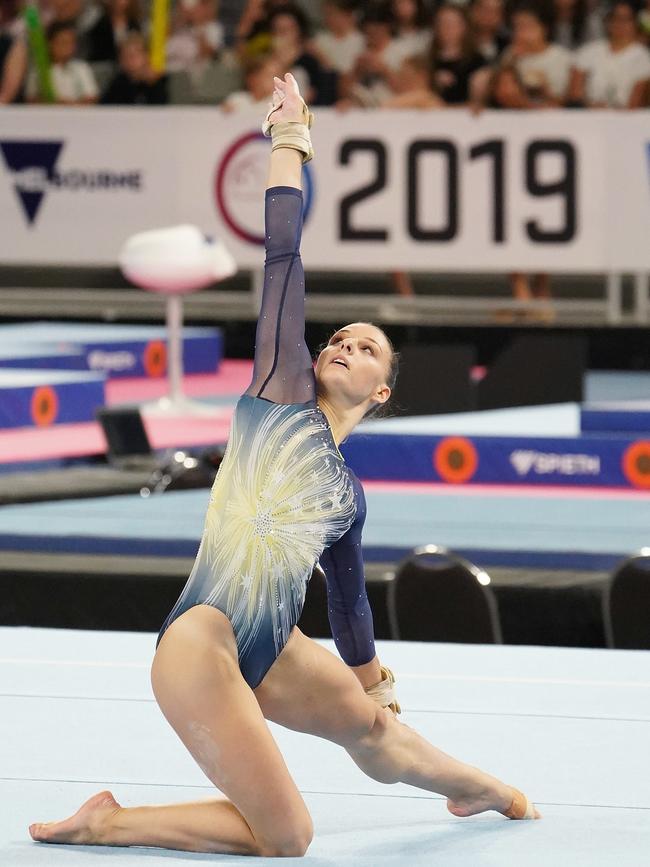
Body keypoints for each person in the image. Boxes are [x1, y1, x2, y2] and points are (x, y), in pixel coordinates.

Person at [28, 71, 539, 858]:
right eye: (339, 336)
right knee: (288, 834)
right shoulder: (281, 388)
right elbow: (283, 254)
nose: (343, 344)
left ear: (382, 389)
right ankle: (108, 820)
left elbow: (347, 610)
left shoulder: (348, 497)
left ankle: (480, 785)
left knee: (375, 730)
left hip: (270, 646)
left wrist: (379, 690)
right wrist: (287, 140)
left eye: (365, 347)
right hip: (200, 644)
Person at [569, 0, 650, 108]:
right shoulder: (588, 51)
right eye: (616, 18)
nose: (620, 24)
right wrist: (592, 107)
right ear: (608, 21)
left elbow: (636, 102)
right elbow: (575, 94)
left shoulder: (643, 57)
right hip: (588, 115)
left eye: (626, 19)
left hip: (626, 119)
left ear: (635, 23)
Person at [502, 3, 571, 104]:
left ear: (544, 28)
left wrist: (546, 92)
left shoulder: (563, 58)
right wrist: (510, 62)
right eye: (516, 26)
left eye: (527, 26)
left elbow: (571, 103)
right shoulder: (509, 54)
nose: (520, 32)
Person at [428, 3, 490, 106]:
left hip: (463, 118)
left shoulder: (478, 61)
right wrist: (431, 81)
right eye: (442, 23)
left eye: (452, 24)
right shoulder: (427, 60)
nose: (447, 29)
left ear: (464, 27)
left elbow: (479, 104)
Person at [25, 20, 99, 104]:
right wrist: (54, 103)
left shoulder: (82, 67)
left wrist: (71, 105)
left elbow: (91, 97)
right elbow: (31, 99)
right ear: (50, 44)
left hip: (77, 113)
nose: (67, 47)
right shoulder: (38, 70)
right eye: (63, 42)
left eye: (71, 42)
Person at [101, 32, 168, 104]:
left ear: (146, 55)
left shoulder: (160, 81)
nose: (130, 59)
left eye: (134, 54)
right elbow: (104, 109)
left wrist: (152, 83)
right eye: (125, 55)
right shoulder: (117, 83)